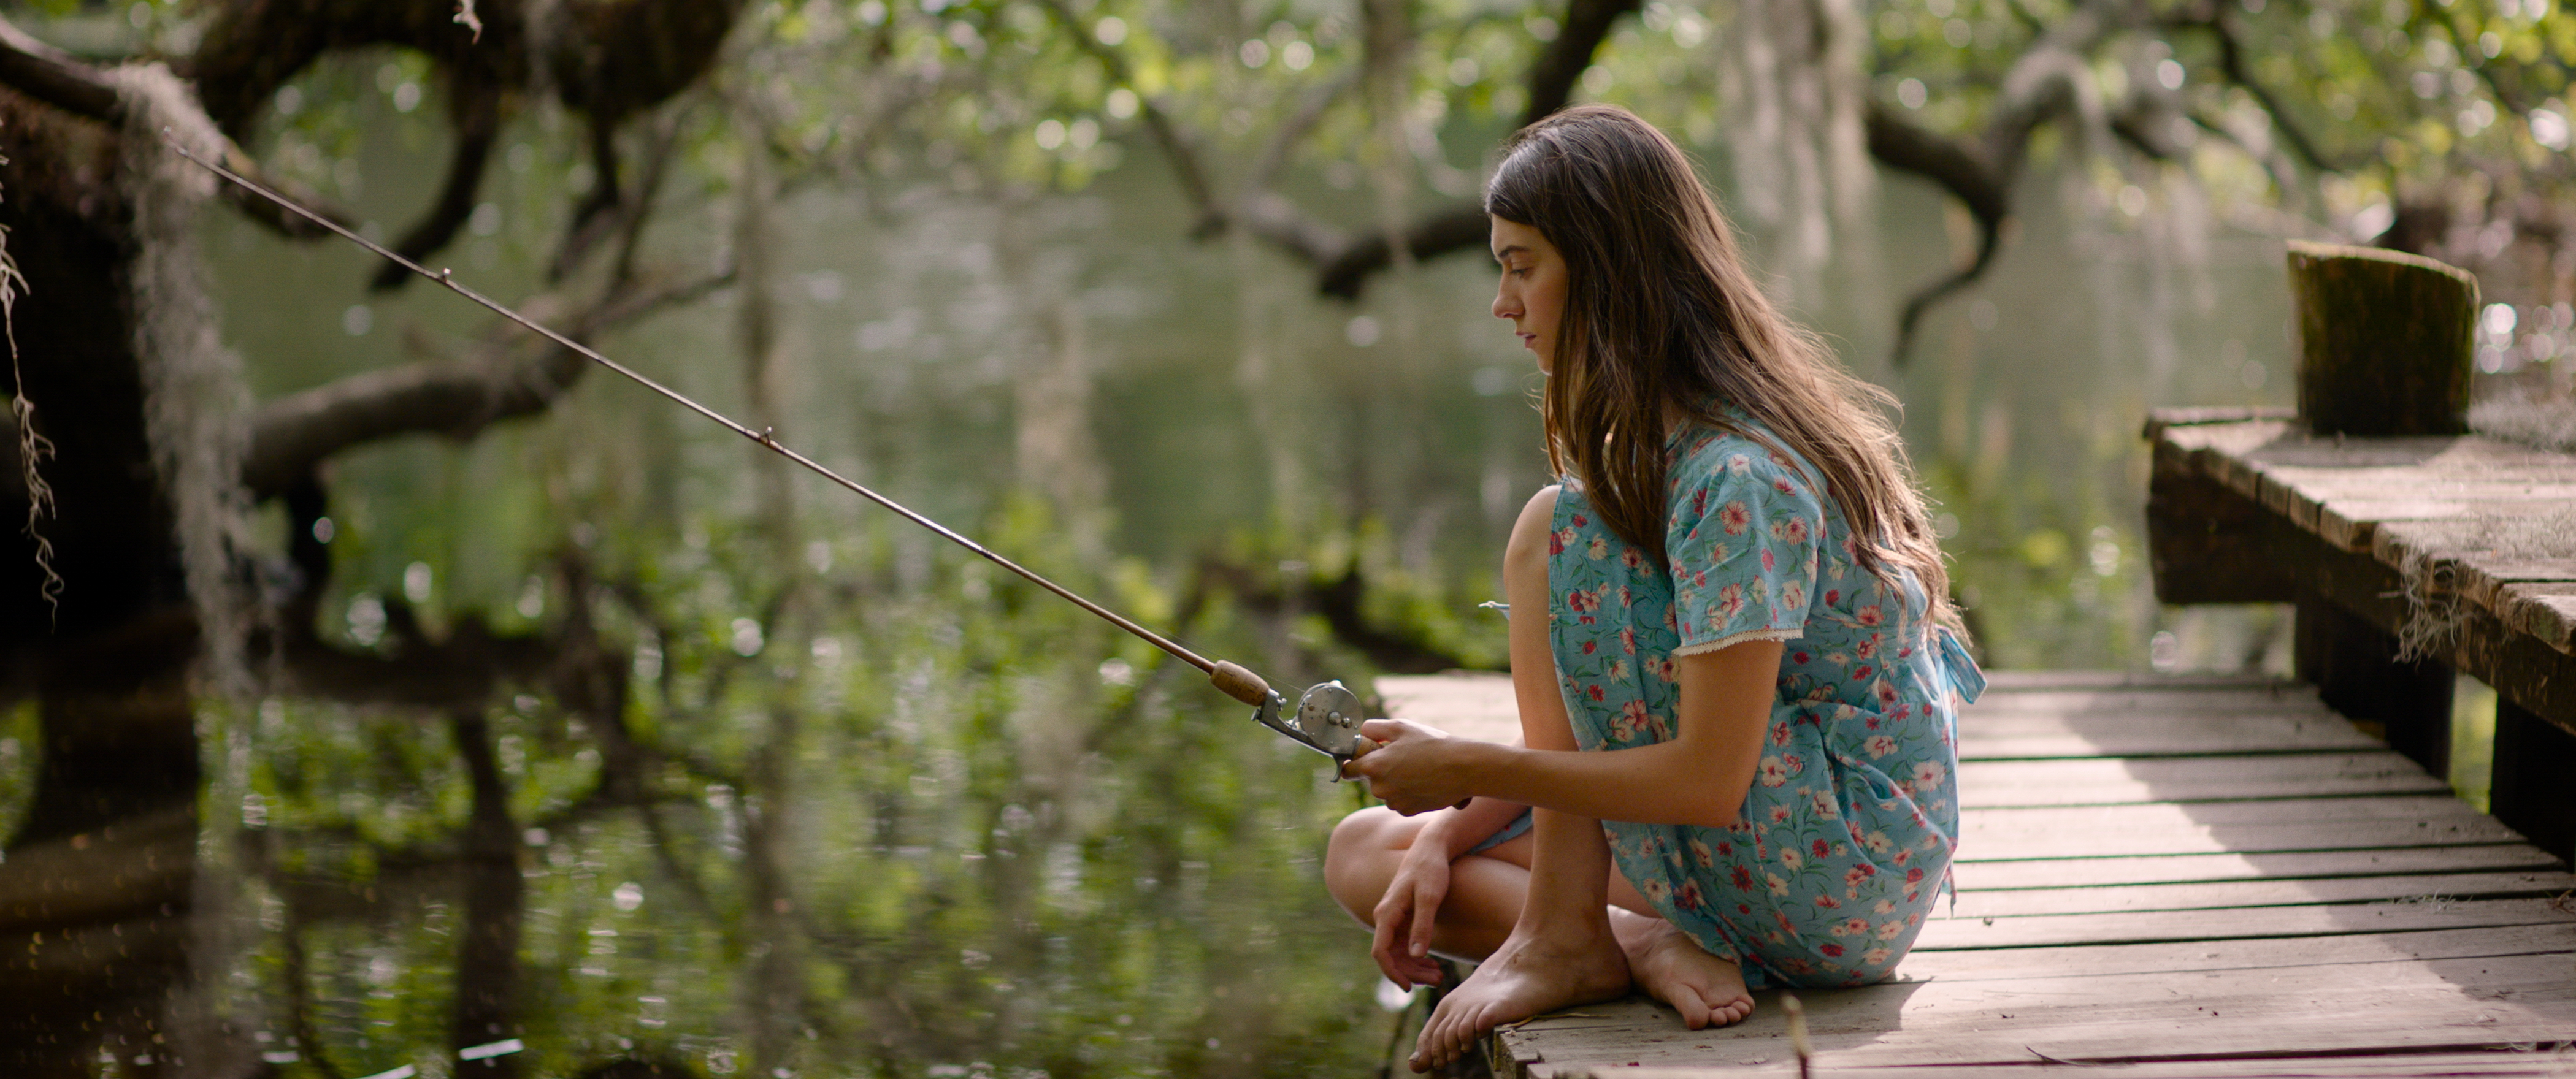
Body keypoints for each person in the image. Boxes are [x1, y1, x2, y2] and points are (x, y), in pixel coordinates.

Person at [1322, 104, 1984, 1073]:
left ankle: (1564, 936)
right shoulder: (1670, 455)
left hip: (1841, 881)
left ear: (1607, 271)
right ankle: (1626, 942)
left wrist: (1470, 763)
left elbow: (1707, 779)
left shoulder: (1736, 479)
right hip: (1776, 847)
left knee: (1553, 530)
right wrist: (1454, 817)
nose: (1504, 305)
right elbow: (1635, 734)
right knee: (1371, 851)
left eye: (1522, 267)